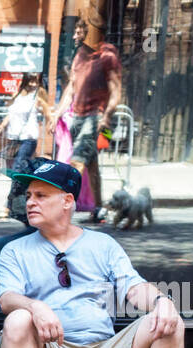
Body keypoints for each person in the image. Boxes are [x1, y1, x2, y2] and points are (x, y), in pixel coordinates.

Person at [0, 160, 190, 348]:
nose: (29, 202)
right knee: (17, 319)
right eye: (29, 195)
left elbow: (134, 287)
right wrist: (35, 306)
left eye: (41, 195)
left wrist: (162, 301)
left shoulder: (103, 244)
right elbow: (7, 298)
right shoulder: (14, 250)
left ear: (68, 201)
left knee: (168, 320)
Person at [52, 18, 122, 223]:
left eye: (79, 32)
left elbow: (116, 91)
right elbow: (71, 88)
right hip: (78, 118)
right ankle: (99, 208)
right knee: (92, 167)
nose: (74, 36)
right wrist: (57, 113)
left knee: (76, 163)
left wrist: (107, 117)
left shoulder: (107, 56)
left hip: (96, 118)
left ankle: (59, 211)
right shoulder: (80, 57)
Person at [0, 73, 48, 219]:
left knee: (17, 170)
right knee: (23, 173)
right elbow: (9, 116)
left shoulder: (38, 95)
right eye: (31, 81)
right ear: (25, 81)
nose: (34, 85)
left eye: (36, 81)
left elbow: (48, 112)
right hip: (16, 138)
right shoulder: (18, 95)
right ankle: (26, 204)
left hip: (29, 138)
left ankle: (8, 206)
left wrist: (54, 124)